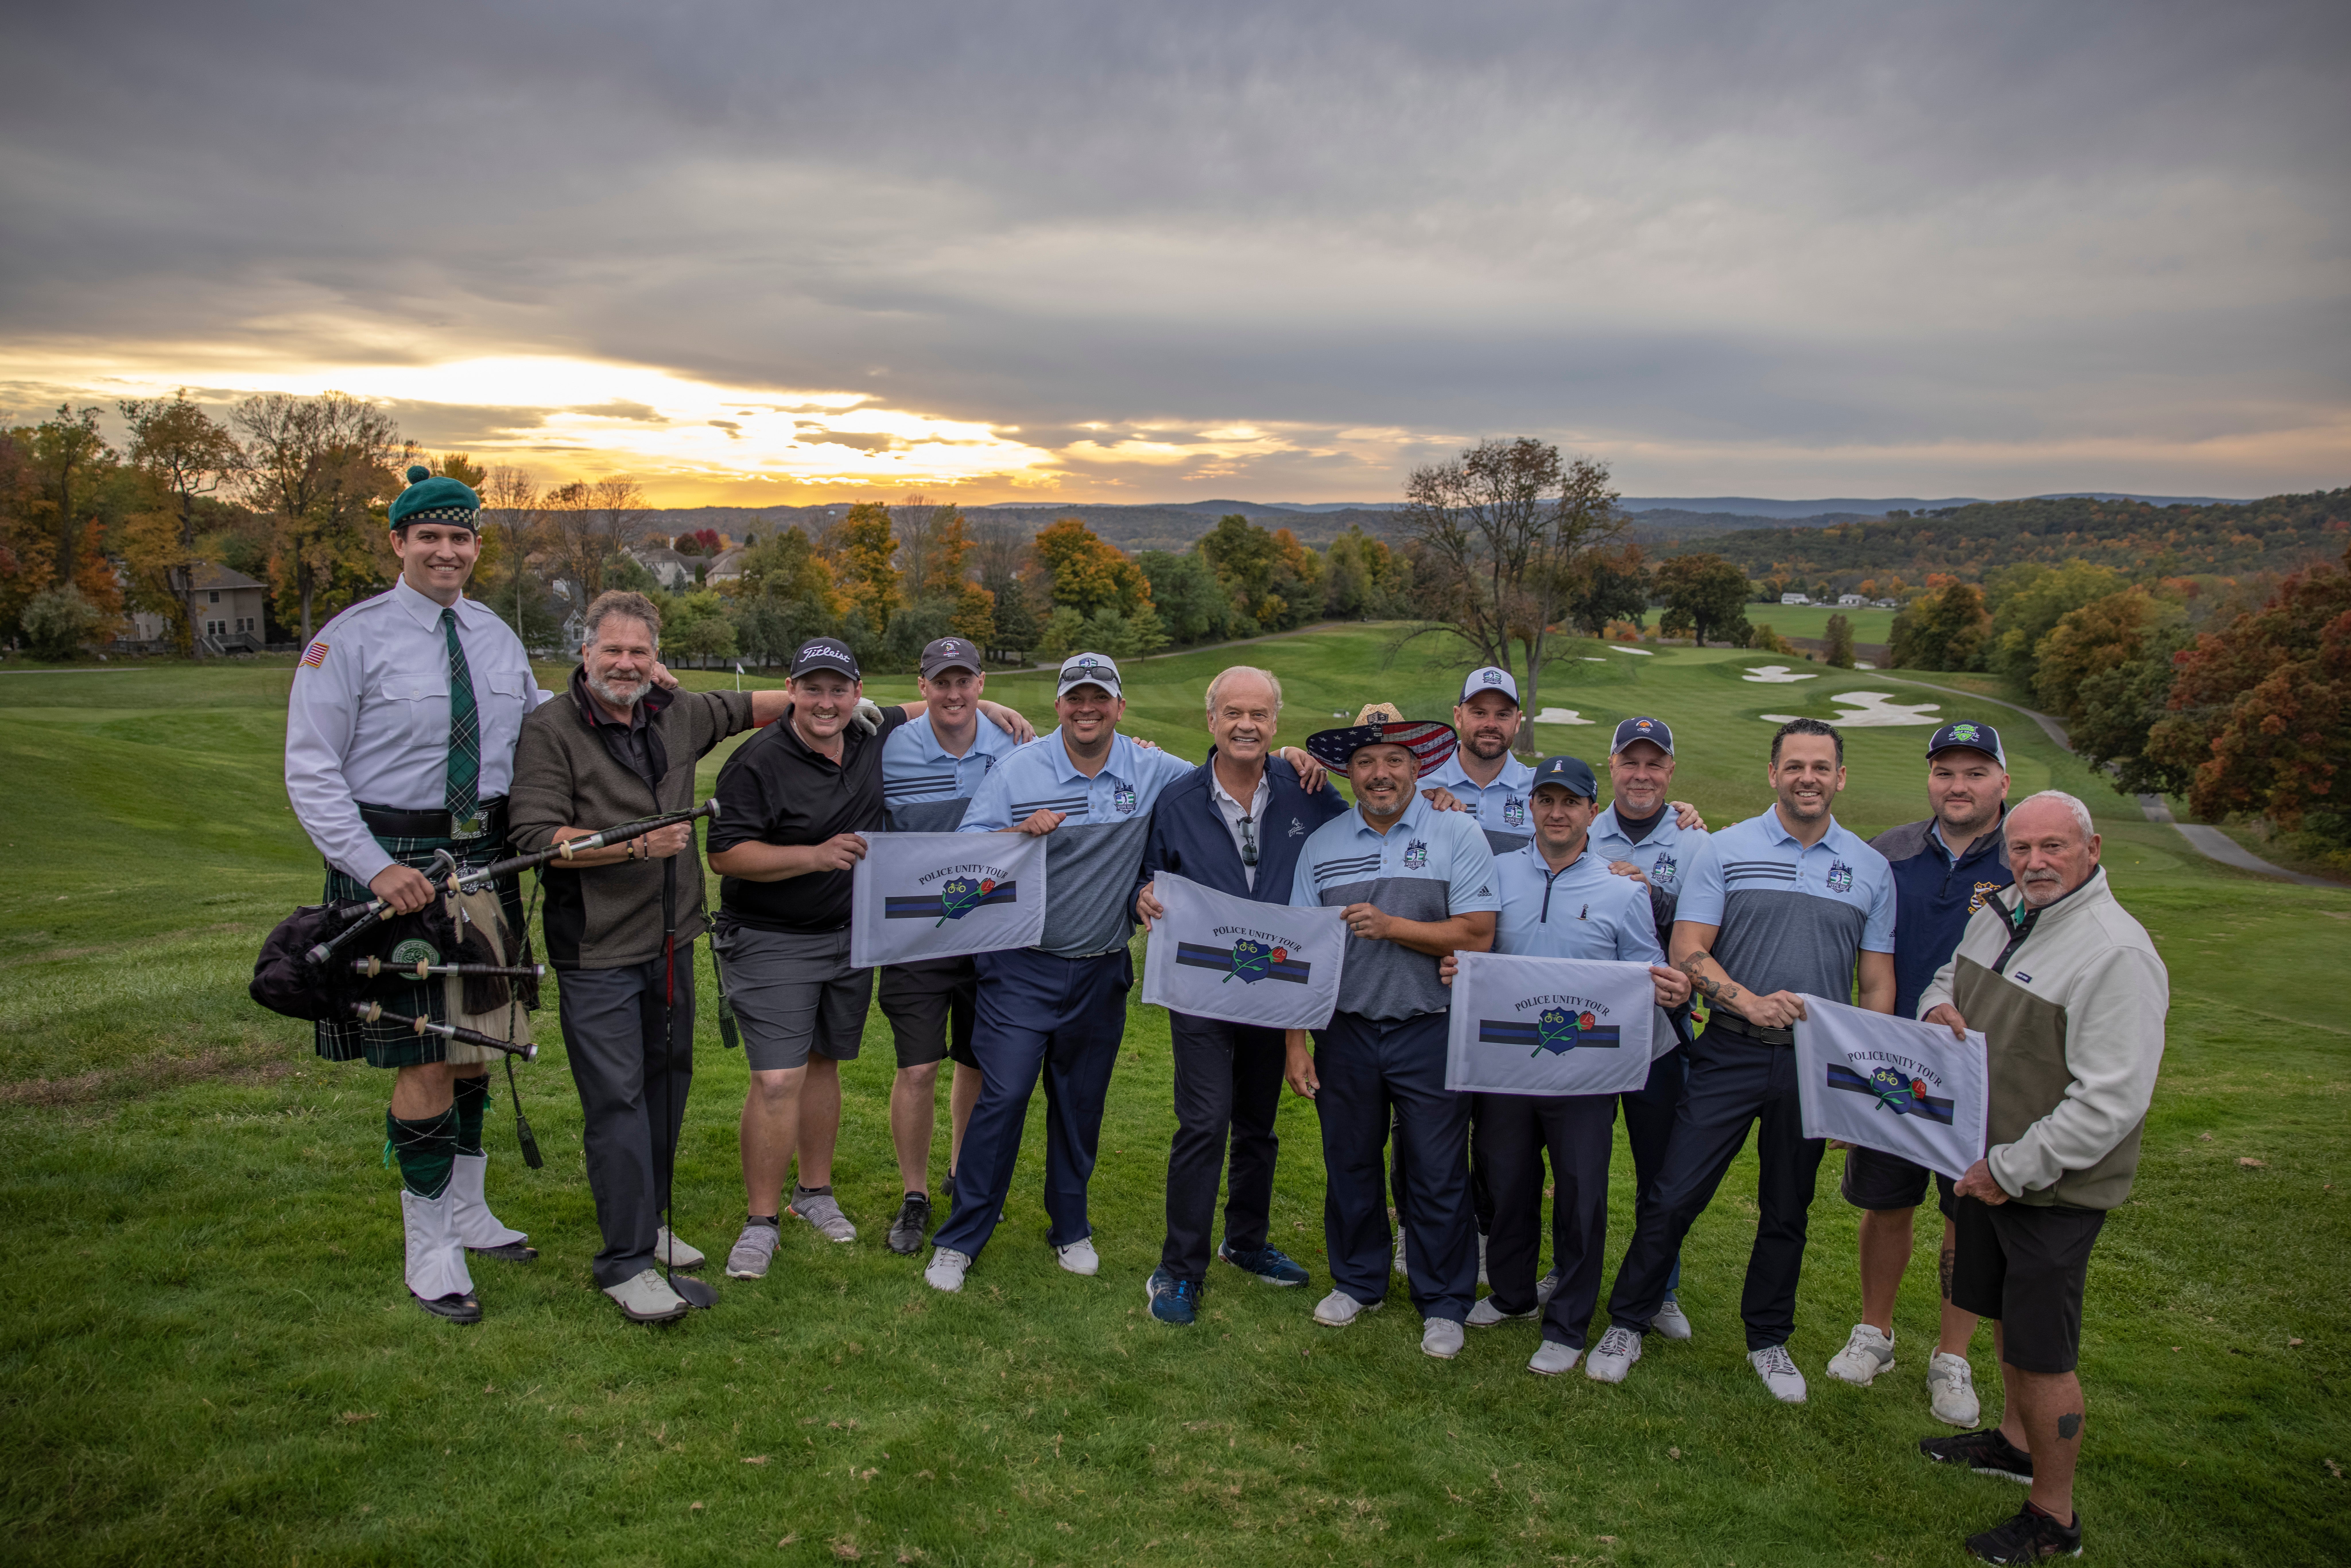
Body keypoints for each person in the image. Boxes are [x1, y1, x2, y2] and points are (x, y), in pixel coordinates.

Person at [285, 464, 556, 1324]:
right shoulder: (350, 640)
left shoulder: (495, 637)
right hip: (394, 859)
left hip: (482, 853)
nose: (447, 550)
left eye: (461, 537)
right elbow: (312, 769)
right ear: (399, 543)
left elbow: (543, 720)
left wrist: (635, 687)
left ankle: (471, 1213)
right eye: (429, 537)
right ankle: (429, 1245)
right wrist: (373, 867)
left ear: (476, 545)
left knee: (478, 1040)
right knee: (424, 1055)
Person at [1585, 716, 1897, 1402]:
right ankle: (1627, 1321)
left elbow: (1875, 984)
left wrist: (1861, 1081)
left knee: (1788, 1207)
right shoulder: (1723, 849)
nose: (1807, 778)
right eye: (1794, 765)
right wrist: (1748, 1000)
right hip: (1729, 1045)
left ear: (1840, 777)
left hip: (1815, 1064)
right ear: (1773, 773)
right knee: (1673, 1193)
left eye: (1820, 766)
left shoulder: (1870, 869)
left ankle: (1768, 1338)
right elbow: (1688, 948)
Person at [706, 639, 1031, 1282]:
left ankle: (815, 1192)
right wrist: (814, 855)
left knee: (824, 1063)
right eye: (812, 689)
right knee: (776, 1078)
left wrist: (983, 702)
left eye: (838, 689)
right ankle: (760, 1221)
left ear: (857, 695)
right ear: (790, 692)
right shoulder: (758, 760)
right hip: (773, 934)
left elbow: (928, 706)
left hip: (853, 935)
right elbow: (724, 854)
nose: (826, 702)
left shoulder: (867, 733)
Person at [508, 591, 786, 1322]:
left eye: (639, 651)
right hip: (597, 948)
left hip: (672, 938)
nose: (625, 664)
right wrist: (633, 843)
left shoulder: (677, 713)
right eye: (612, 650)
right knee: (618, 1101)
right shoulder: (551, 729)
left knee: (667, 1087)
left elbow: (768, 704)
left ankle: (649, 1223)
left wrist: (924, 712)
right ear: (586, 653)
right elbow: (534, 836)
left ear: (654, 657)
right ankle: (625, 1262)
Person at [1915, 791, 2167, 1565]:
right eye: (2022, 849)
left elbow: (2111, 1103)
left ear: (2092, 852)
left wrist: (2010, 1168)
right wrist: (1934, 1014)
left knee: (2042, 1351)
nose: (2035, 863)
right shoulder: (2004, 914)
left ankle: (2053, 1518)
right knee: (2005, 1322)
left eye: (2054, 848)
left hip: (2048, 1187)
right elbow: (1943, 980)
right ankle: (2017, 1445)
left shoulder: (2113, 953)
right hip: (1988, 1165)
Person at [1442, 755, 1692, 1375]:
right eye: (1546, 800)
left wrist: (1665, 986)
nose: (1557, 813)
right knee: (1506, 1182)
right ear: (1530, 806)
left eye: (1570, 802)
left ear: (1590, 810)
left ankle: (1568, 1323)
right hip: (1505, 1062)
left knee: (1580, 1193)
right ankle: (1511, 1292)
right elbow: (1471, 939)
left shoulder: (1621, 888)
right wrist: (1456, 964)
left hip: (1584, 1071)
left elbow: (1644, 968)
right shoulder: (1495, 872)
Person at [1132, 666, 1349, 1325]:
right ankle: (1178, 1268)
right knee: (1203, 1122)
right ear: (1212, 721)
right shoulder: (1177, 801)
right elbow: (1145, 876)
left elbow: (1366, 833)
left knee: (1258, 1125)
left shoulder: (1307, 790)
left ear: (1276, 721)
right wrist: (1139, 895)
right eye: (1233, 713)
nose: (1246, 724)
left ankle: (1246, 1241)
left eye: (1258, 713)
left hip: (1276, 988)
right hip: (1200, 991)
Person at [1284, 711, 1498, 1360]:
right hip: (1345, 1030)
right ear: (1350, 773)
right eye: (1368, 762)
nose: (1381, 773)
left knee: (1436, 1173)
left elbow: (1477, 931)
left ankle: (1443, 1300)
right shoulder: (1322, 845)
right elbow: (1300, 950)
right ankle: (1358, 1281)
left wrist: (1393, 925)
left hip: (1430, 1026)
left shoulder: (1456, 831)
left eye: (1395, 761)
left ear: (1417, 767)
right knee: (1350, 1163)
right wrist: (1296, 1042)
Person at [1826, 722, 2013, 1422]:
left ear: (2002, 780)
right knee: (1886, 1201)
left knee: (1965, 1207)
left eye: (1973, 771)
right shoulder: (1891, 852)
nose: (1957, 785)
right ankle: (1875, 1332)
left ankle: (1952, 1356)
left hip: (1981, 1068)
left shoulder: (2019, 854)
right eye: (1945, 772)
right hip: (1893, 1061)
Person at [874, 637, 1022, 1255]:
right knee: (917, 1066)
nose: (954, 693)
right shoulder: (889, 748)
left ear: (981, 683)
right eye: (942, 682)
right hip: (914, 930)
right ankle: (914, 1195)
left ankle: (962, 1174)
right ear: (924, 684)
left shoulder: (1016, 746)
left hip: (990, 931)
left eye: (965, 682)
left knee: (976, 1061)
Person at [1584, 715, 1709, 1339]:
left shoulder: (1695, 841)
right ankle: (1568, 1268)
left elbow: (1707, 930)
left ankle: (1660, 1287)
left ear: (1670, 770)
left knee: (1662, 1164)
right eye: (1629, 761)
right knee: (1579, 1156)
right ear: (1611, 765)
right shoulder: (1583, 825)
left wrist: (1649, 891)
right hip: (1589, 1024)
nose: (1641, 774)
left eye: (1653, 762)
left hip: (1662, 1025)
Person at [1426, 667, 1538, 855]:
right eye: (1479, 713)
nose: (1491, 724)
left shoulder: (1539, 789)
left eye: (1503, 715)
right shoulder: (1422, 784)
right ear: (1458, 717)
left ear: (1518, 722)